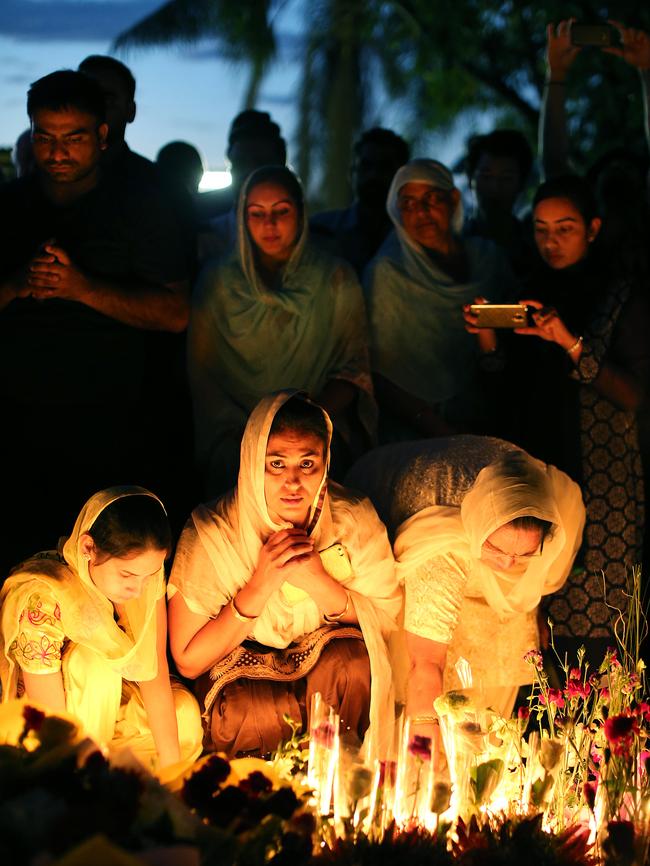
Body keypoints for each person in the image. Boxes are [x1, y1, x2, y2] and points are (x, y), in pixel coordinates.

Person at [0, 70, 190, 575]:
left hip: (111, 427)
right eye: (45, 137)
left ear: (103, 135)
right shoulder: (9, 208)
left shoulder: (140, 208)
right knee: (20, 570)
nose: (58, 152)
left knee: (102, 569)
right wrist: (17, 283)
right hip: (18, 424)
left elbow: (175, 313)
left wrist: (81, 288)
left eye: (74, 138)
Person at [464, 175, 649, 661]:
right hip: (539, 470)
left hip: (602, 476)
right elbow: (503, 393)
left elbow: (632, 394)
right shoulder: (529, 292)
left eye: (565, 228)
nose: (551, 240)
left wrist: (567, 341)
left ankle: (607, 724)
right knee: (536, 606)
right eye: (542, 229)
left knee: (599, 616)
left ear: (592, 228)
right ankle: (542, 726)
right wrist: (487, 337)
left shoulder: (620, 298)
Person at [167, 392, 401, 760]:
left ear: (325, 464)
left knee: (354, 665)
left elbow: (390, 620)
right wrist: (260, 585)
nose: (293, 482)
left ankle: (337, 785)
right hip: (243, 677)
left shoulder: (351, 519)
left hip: (327, 672)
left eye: (307, 464)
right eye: (276, 464)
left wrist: (319, 583)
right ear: (251, 463)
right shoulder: (213, 533)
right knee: (250, 709)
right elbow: (187, 659)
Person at [346, 436, 585, 735]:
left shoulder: (555, 507)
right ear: (477, 529)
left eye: (524, 555)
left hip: (478, 516)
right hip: (397, 520)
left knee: (486, 727)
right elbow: (427, 662)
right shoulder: (442, 548)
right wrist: (426, 742)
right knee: (418, 699)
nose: (509, 565)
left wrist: (532, 602)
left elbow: (523, 568)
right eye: (497, 550)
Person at [188, 165, 376, 496]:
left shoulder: (336, 279)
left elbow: (353, 368)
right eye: (256, 213)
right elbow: (204, 378)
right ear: (241, 219)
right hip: (236, 438)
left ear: (301, 213)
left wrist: (306, 426)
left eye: (281, 211)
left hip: (317, 436)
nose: (269, 224)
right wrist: (254, 436)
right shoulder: (217, 283)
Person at [0, 487, 203, 772]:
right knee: (95, 663)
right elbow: (52, 722)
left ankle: (117, 770)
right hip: (51, 724)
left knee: (184, 718)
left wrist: (172, 774)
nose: (138, 589)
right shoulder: (42, 596)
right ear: (87, 548)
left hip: (111, 713)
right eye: (127, 574)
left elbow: (152, 669)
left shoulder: (144, 576)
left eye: (150, 575)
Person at [364, 158, 517, 441]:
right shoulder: (388, 274)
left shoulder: (488, 260)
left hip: (491, 417)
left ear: (453, 199)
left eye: (431, 199)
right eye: (408, 204)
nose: (421, 211)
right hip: (413, 432)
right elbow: (378, 370)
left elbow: (516, 338)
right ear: (398, 214)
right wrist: (438, 428)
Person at [310, 127, 410, 276]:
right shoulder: (320, 230)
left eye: (385, 167)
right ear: (352, 173)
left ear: (402, 177)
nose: (374, 175)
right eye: (366, 166)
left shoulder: (414, 237)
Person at [463, 128, 535, 277]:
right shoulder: (454, 243)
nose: (495, 188)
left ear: (521, 184)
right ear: (471, 180)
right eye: (486, 176)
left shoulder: (535, 244)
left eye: (506, 178)